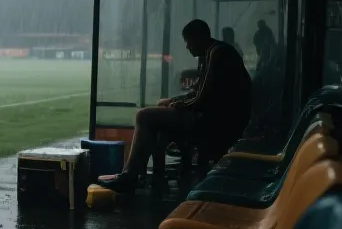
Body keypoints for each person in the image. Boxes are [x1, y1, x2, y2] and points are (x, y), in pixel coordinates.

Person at [98, 19, 251, 194]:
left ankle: (129, 177)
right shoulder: (216, 51)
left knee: (144, 116)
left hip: (217, 122)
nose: (186, 46)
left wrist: (177, 104)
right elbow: (199, 93)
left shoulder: (216, 54)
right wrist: (173, 101)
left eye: (187, 41)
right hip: (221, 118)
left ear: (198, 37)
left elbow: (201, 99)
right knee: (156, 118)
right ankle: (134, 176)